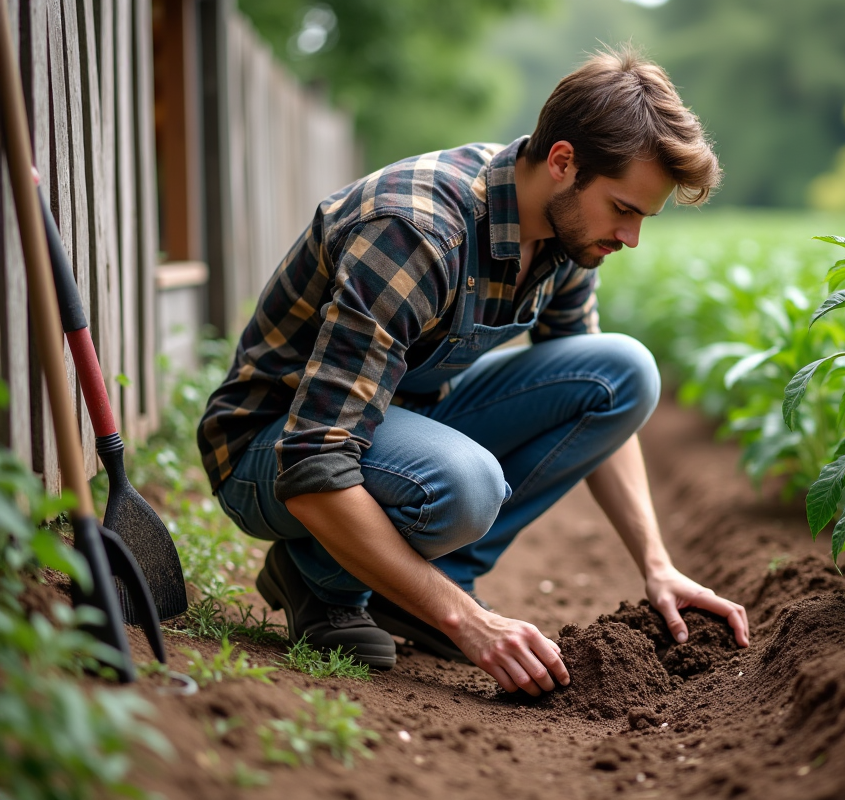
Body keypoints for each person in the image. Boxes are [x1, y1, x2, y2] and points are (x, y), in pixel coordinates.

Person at [197, 45, 749, 696]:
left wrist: (658, 567)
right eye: (624, 209)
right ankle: (323, 574)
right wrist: (469, 624)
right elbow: (314, 460)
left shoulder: (567, 236)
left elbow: (588, 383)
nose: (631, 238)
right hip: (272, 445)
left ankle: (415, 583)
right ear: (564, 162)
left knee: (625, 372)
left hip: (390, 424)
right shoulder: (417, 232)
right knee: (465, 484)